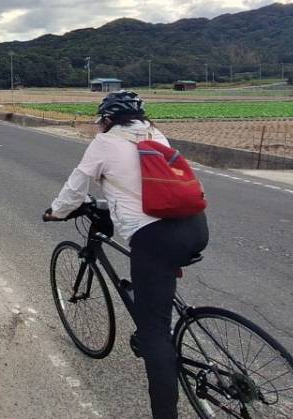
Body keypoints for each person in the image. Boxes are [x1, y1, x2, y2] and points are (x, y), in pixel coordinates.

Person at [43, 91, 208, 418]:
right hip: (195, 228)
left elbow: (75, 189)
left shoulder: (104, 143)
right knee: (153, 297)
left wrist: (56, 212)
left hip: (155, 239)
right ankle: (153, 318)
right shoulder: (155, 135)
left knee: (154, 336)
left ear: (106, 121)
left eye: (100, 123)